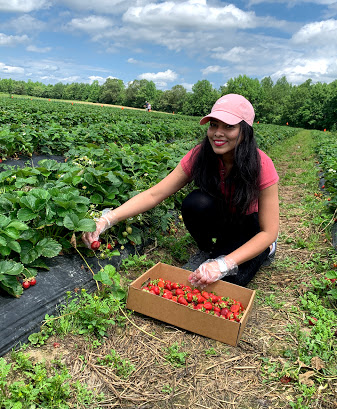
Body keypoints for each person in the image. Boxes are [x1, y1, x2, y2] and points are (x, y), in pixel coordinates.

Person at [81, 94, 279, 287]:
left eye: (229, 126)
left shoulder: (261, 164)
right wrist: (106, 220)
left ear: (245, 131)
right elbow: (154, 194)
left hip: (248, 225)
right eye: (213, 125)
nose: (218, 133)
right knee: (196, 203)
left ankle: (266, 250)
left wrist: (224, 264)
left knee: (230, 280)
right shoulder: (200, 155)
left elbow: (269, 230)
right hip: (223, 217)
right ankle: (207, 250)